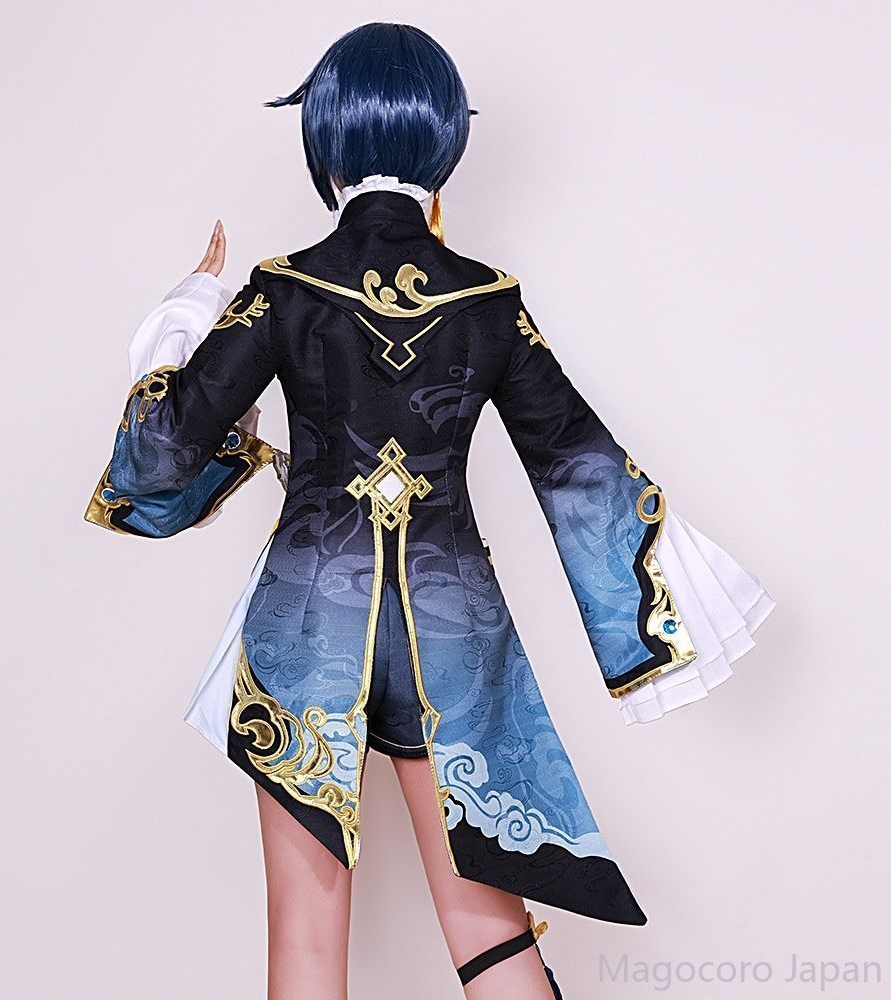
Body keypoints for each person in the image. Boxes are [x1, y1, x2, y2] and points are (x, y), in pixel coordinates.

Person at [86, 22, 774, 1000]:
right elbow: (575, 460)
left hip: (307, 626)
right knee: (493, 944)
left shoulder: (282, 291)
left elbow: (156, 455)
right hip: (452, 630)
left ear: (326, 142)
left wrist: (188, 310)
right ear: (443, 141)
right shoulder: (489, 300)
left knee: (307, 943)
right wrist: (672, 616)